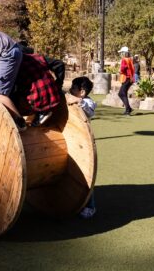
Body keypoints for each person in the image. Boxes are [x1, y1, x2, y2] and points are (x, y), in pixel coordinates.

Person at [67, 76, 97, 218]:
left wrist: (76, 100)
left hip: (84, 146)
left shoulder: (88, 103)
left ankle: (89, 206)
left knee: (86, 176)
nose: (70, 91)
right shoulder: (72, 99)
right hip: (71, 141)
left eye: (73, 88)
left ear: (82, 92)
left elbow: (88, 109)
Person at [117, 47, 135, 115]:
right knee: (123, 93)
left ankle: (128, 109)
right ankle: (128, 108)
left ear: (124, 53)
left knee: (121, 93)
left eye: (121, 53)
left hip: (126, 78)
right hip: (130, 78)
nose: (121, 54)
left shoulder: (124, 60)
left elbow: (122, 69)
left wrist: (120, 71)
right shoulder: (130, 59)